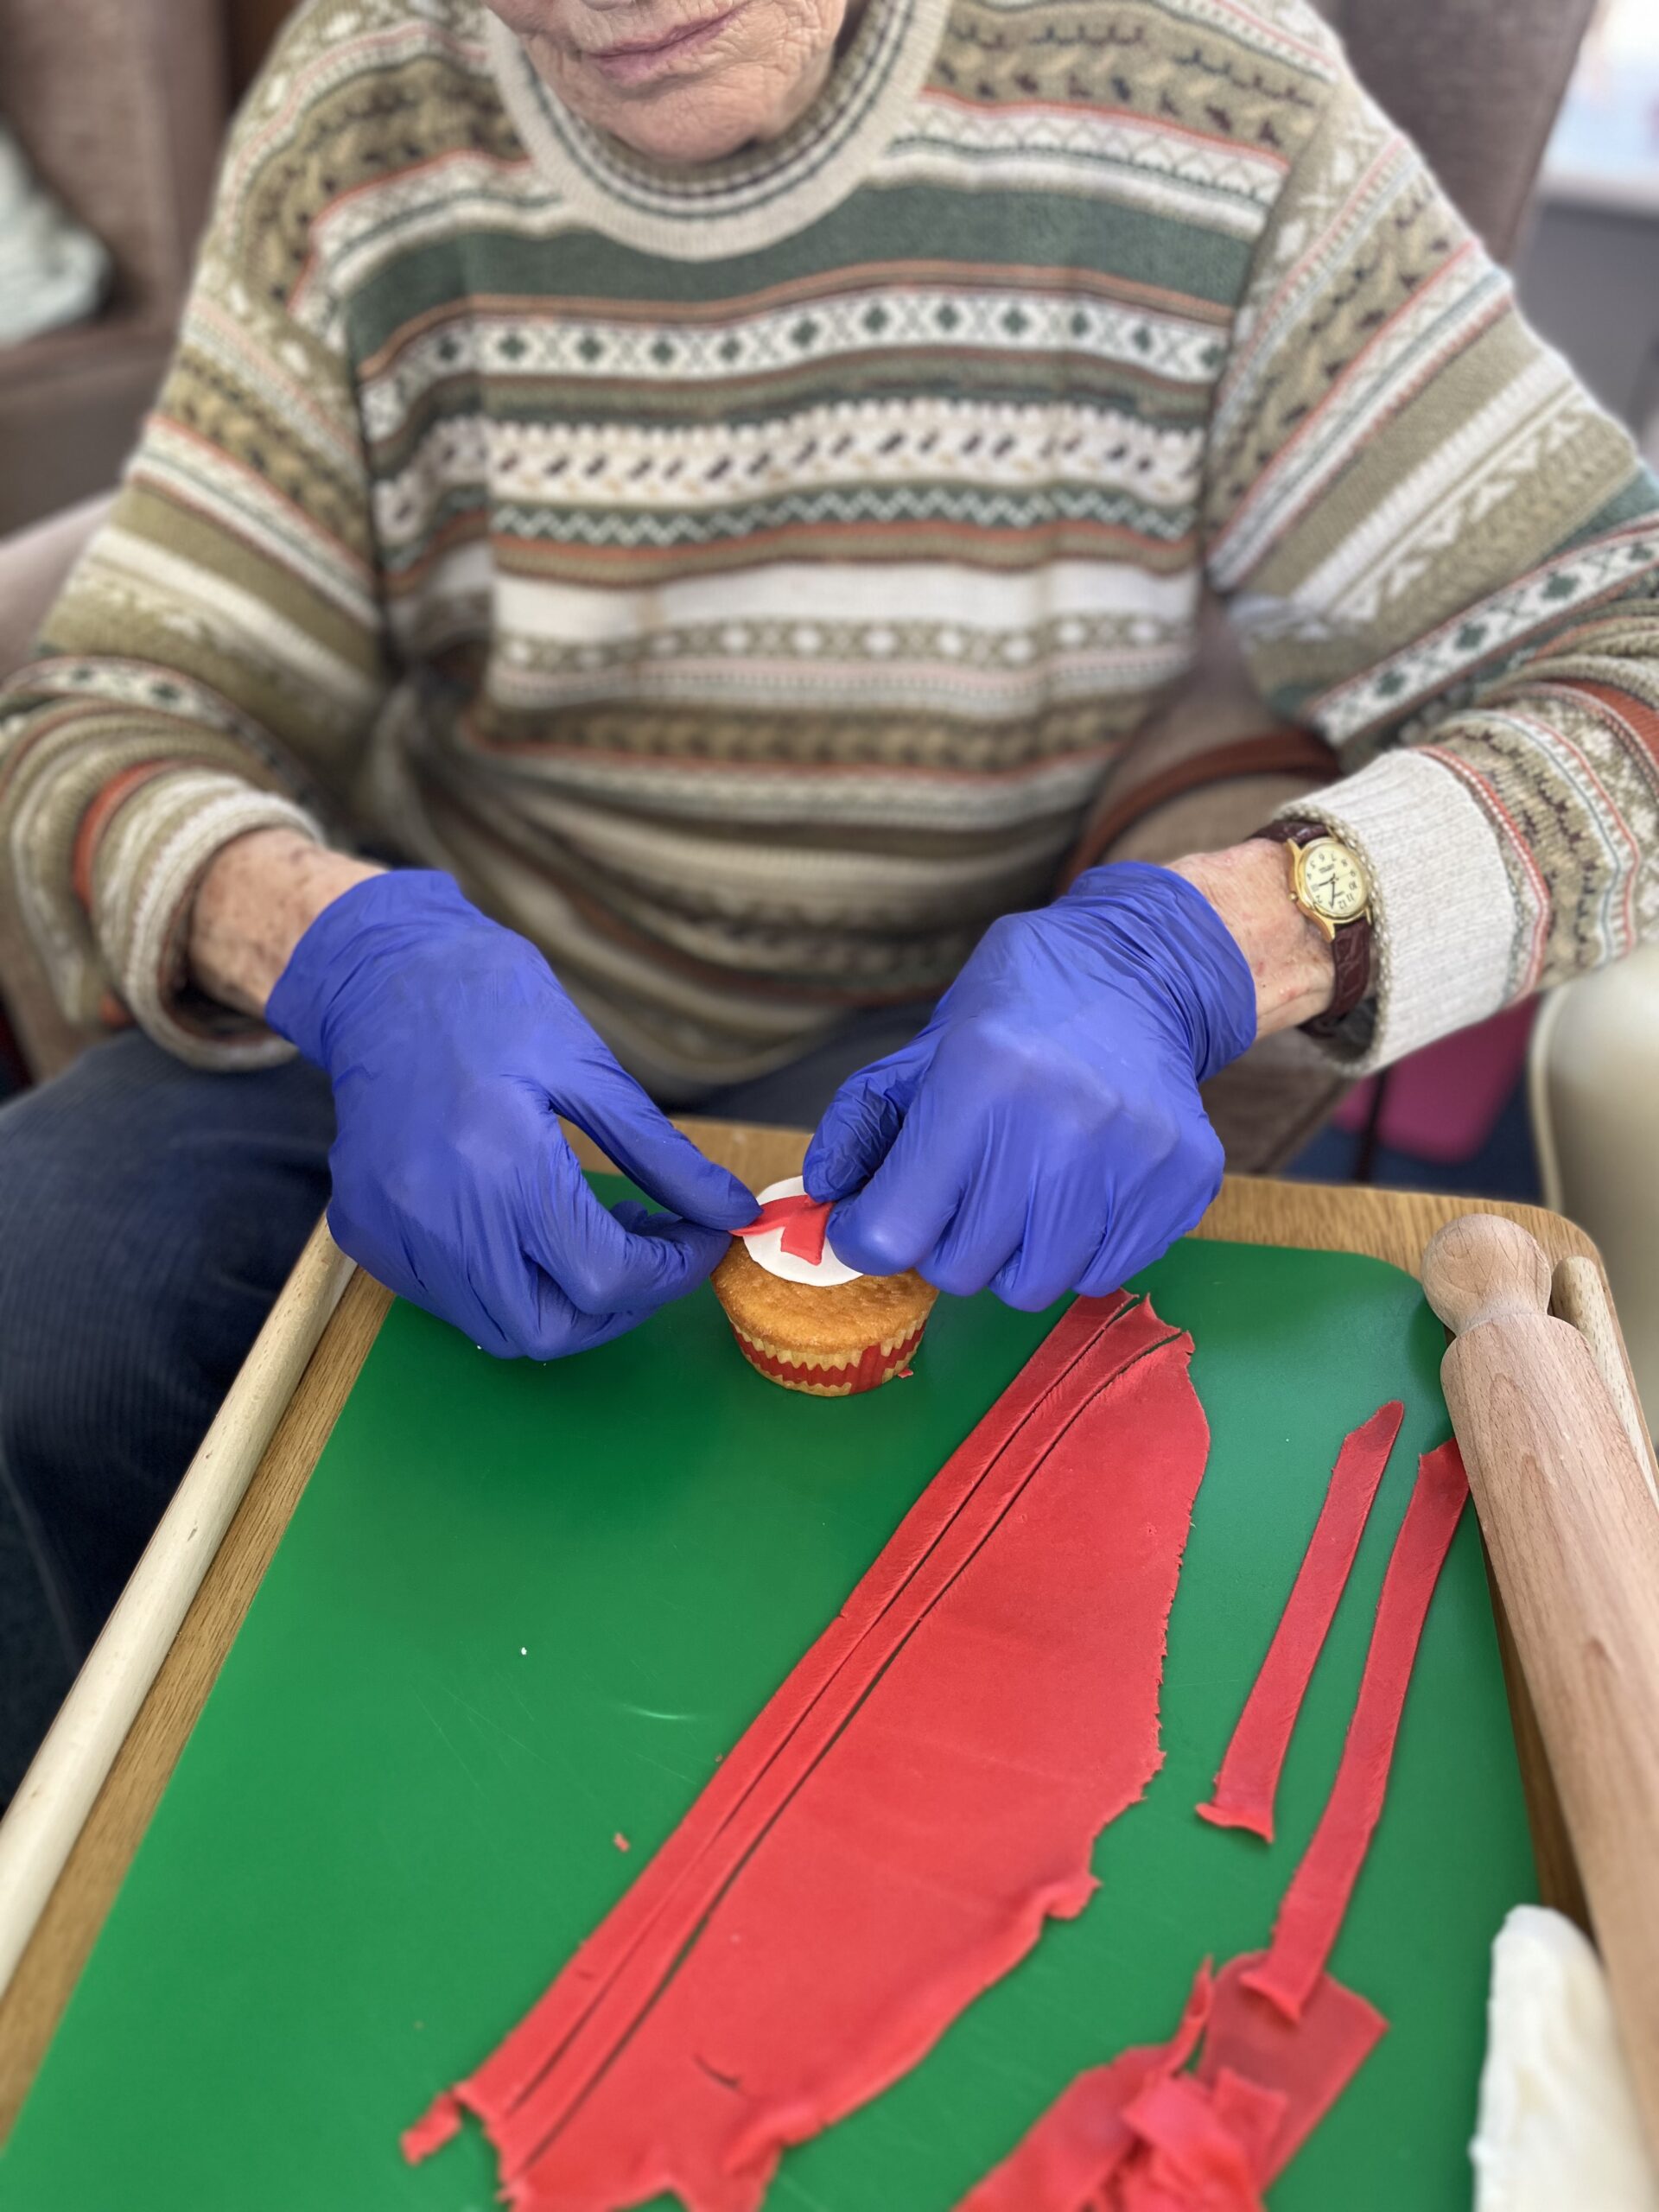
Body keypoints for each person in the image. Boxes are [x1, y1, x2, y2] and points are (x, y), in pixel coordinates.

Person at [2, 0, 1656, 1793]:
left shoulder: (1213, 102)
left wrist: (1219, 941)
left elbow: (1627, 661)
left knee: (925, 1647)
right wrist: (332, 946)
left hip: (954, 1041)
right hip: (443, 1011)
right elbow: (100, 715)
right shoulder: (364, 97)